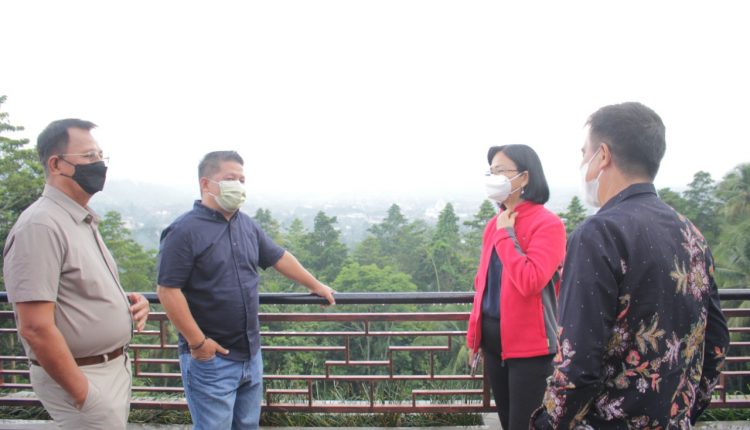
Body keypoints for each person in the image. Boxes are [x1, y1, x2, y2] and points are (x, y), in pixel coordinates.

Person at [532, 102, 730, 429]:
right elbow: (717, 342)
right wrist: (685, 411)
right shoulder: (689, 232)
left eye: (585, 152)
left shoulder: (599, 234)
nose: (582, 162)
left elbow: (577, 366)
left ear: (603, 155)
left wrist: (547, 424)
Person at [156, 150, 336, 430]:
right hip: (211, 358)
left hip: (250, 355)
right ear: (206, 184)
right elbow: (168, 290)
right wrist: (199, 343)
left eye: (242, 180)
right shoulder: (184, 231)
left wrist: (316, 285)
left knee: (247, 425)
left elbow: (278, 257)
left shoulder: (246, 225)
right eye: (231, 179)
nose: (238, 186)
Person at [3, 119, 150, 429]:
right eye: (89, 156)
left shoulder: (77, 219)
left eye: (100, 156)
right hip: (84, 377)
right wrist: (84, 395)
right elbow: (35, 328)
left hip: (110, 370)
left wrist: (123, 303)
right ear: (57, 164)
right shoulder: (40, 226)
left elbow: (74, 288)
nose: (99, 164)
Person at [466, 144, 566, 430]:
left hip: (530, 348)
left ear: (524, 177)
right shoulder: (494, 224)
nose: (493, 178)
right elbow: (483, 285)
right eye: (491, 172)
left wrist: (506, 235)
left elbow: (530, 281)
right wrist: (474, 338)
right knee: (507, 420)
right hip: (493, 344)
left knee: (525, 424)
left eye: (500, 171)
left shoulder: (548, 224)